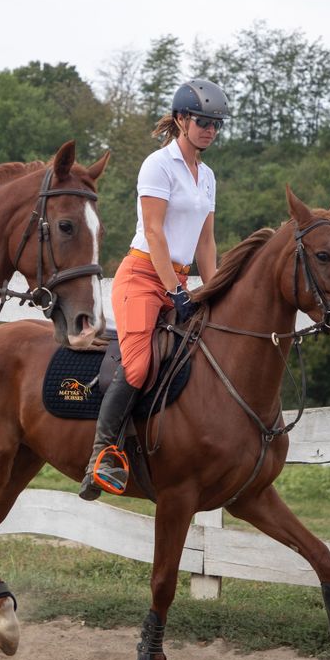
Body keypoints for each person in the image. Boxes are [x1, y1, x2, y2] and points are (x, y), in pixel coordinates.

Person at [79, 79, 227, 499]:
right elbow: (156, 234)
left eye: (216, 124)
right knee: (139, 366)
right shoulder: (157, 165)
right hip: (143, 276)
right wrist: (174, 291)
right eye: (203, 122)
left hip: (179, 281)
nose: (210, 130)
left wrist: (211, 291)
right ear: (181, 120)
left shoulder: (208, 175)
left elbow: (206, 242)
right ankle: (101, 455)